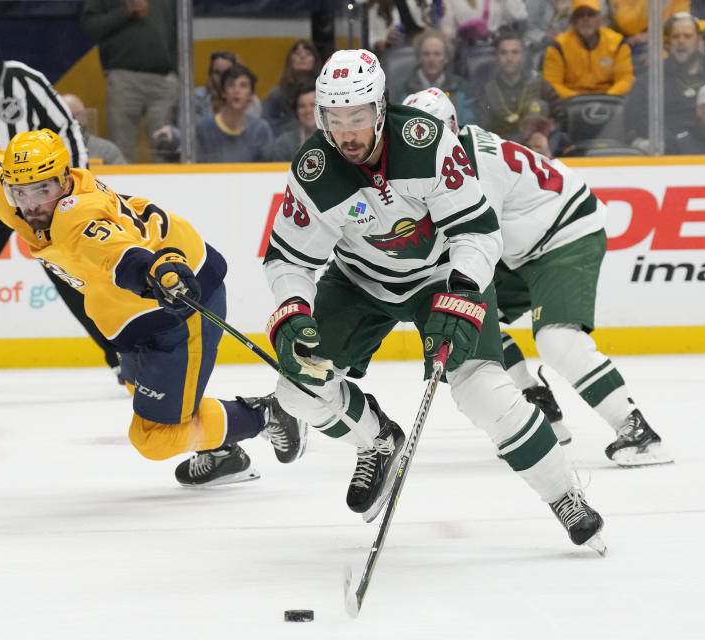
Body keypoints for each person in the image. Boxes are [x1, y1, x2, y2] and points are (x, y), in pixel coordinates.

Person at [264, 49, 605, 551]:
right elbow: (286, 259)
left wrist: (464, 293)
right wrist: (293, 308)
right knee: (297, 391)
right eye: (335, 120)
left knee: (482, 390)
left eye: (358, 117)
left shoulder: (423, 143)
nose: (348, 133)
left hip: (444, 277)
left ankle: (565, 495)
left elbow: (479, 232)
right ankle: (377, 440)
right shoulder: (314, 170)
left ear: (381, 109)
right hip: (361, 281)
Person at [0, 129, 306, 487]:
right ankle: (226, 450)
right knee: (141, 392)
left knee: (154, 438)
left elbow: (116, 251)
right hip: (130, 314)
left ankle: (266, 416)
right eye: (23, 192)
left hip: (180, 305)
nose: (33, 204)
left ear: (64, 179)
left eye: (44, 190)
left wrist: (157, 272)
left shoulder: (78, 214)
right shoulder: (9, 189)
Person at [404, 86, 672, 467]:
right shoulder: (449, 156)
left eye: (430, 135)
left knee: (556, 339)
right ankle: (539, 404)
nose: (421, 147)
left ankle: (636, 430)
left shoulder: (472, 164)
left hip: (565, 232)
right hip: (521, 244)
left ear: (451, 127)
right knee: (476, 320)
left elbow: (475, 237)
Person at [0, 10, 121, 398]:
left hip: (42, 199)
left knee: (75, 279)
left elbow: (65, 126)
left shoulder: (24, 80)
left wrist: (74, 186)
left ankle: (121, 358)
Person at [80, 0, 178, 162]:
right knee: (120, 148)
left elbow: (179, 28)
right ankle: (120, 188)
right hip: (124, 78)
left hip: (165, 79)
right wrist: (126, 10)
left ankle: (170, 187)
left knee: (168, 148)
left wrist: (176, 72)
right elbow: (91, 26)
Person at [625, 13, 705, 149]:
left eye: (687, 36)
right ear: (668, 43)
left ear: (699, 40)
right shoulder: (652, 76)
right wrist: (671, 140)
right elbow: (637, 115)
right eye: (675, 36)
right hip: (668, 149)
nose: (681, 41)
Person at [475, 30, 560, 138]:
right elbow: (483, 128)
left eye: (515, 52)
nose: (509, 58)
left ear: (523, 56)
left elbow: (560, 114)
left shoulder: (539, 84)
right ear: (496, 57)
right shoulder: (487, 91)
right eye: (503, 53)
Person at [542, 0, 633, 99]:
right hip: (569, 104)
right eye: (580, 15)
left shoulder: (618, 43)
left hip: (610, 101)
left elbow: (625, 79)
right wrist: (577, 99)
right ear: (573, 21)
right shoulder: (558, 46)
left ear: (601, 19)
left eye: (591, 14)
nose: (586, 19)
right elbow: (551, 83)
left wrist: (608, 97)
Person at [195, 63, 273, 163]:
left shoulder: (261, 130)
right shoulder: (203, 128)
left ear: (251, 95)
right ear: (223, 92)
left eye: (243, 85)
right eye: (231, 85)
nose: (237, 91)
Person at [400, 29, 476, 125]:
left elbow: (468, 124)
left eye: (437, 54)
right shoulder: (402, 88)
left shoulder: (461, 87)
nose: (431, 59)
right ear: (419, 58)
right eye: (426, 54)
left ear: (446, 58)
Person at [262, 40, 321, 137]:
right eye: (297, 53)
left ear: (315, 60)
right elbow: (267, 125)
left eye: (308, 53)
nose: (302, 57)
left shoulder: (325, 92)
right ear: (290, 60)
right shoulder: (277, 94)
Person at [61, 93, 127, 165]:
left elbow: (123, 175)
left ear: (84, 116)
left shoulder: (107, 150)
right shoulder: (48, 152)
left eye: (73, 116)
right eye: (62, 116)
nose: (68, 121)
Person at [263, 82, 317, 161]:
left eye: (313, 105)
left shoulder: (337, 139)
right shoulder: (284, 144)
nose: (308, 110)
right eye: (302, 106)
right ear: (296, 111)